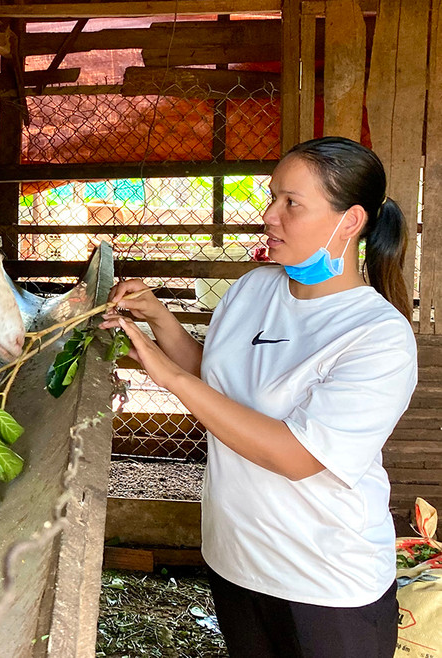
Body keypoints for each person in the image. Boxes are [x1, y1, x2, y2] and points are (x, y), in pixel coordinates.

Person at [100, 136, 417, 657]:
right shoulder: (254, 288)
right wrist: (160, 319)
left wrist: (171, 379)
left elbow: (295, 456)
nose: (269, 216)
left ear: (351, 221)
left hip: (326, 584)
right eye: (272, 197)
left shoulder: (377, 334)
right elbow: (217, 379)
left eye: (292, 203)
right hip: (236, 561)